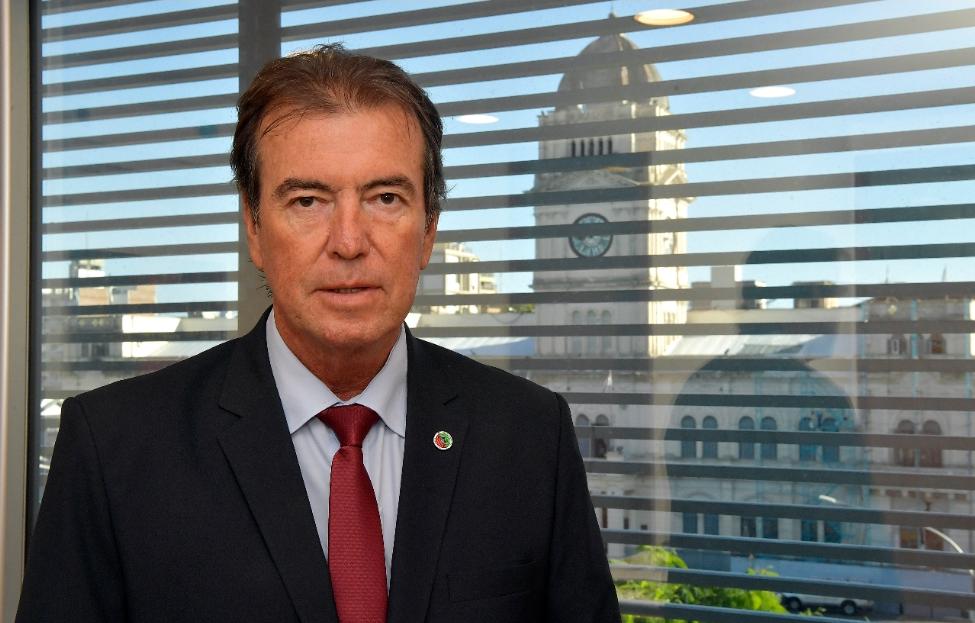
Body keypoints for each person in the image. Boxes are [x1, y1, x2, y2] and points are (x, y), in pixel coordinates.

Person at [17, 44, 620, 622]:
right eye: (308, 201)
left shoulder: (528, 435)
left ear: (429, 230)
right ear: (255, 228)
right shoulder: (114, 448)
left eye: (386, 197)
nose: (349, 242)